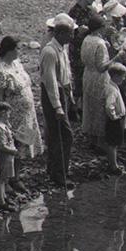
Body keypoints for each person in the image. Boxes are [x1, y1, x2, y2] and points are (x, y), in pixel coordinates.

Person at [0, 36, 43, 160]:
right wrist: (3, 118)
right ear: (9, 51)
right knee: (15, 144)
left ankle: (20, 169)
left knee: (25, 142)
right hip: (14, 114)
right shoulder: (0, 71)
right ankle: (13, 176)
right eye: (17, 49)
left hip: (26, 112)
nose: (19, 52)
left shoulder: (16, 64)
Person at [41, 13, 77, 188]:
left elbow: (65, 74)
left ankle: (53, 169)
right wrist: (57, 106)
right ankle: (59, 174)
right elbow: (50, 81)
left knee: (58, 134)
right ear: (61, 34)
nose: (72, 38)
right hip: (53, 95)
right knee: (64, 136)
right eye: (70, 35)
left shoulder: (62, 49)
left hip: (63, 92)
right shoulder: (49, 51)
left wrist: (69, 97)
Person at [80, 15, 114, 151]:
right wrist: (116, 58)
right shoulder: (100, 44)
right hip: (99, 76)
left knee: (89, 105)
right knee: (100, 107)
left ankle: (91, 138)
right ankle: (100, 141)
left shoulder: (87, 39)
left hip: (88, 74)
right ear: (100, 28)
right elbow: (102, 66)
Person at [0, 101, 20, 206]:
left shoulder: (5, 125)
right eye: (8, 113)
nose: (9, 115)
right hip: (4, 156)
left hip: (8, 157)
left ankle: (4, 196)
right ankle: (1, 201)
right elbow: (1, 145)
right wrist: (13, 151)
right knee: (1, 179)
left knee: (5, 178)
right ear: (2, 113)